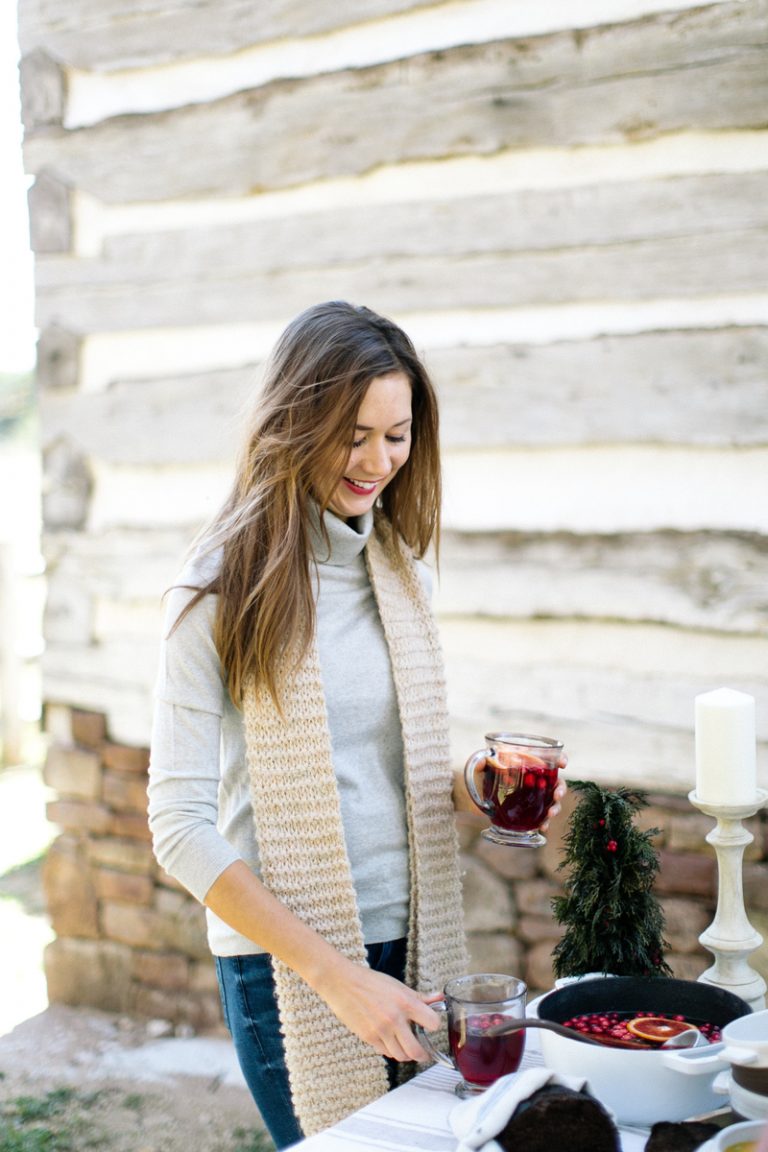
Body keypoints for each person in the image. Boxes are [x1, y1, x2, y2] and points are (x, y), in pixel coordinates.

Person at [147, 301, 565, 1148]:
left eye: (398, 435)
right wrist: (337, 978)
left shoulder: (400, 572)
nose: (377, 461)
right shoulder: (216, 593)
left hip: (415, 937)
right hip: (288, 967)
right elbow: (178, 828)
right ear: (296, 420)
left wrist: (473, 788)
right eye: (352, 434)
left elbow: (386, 773)